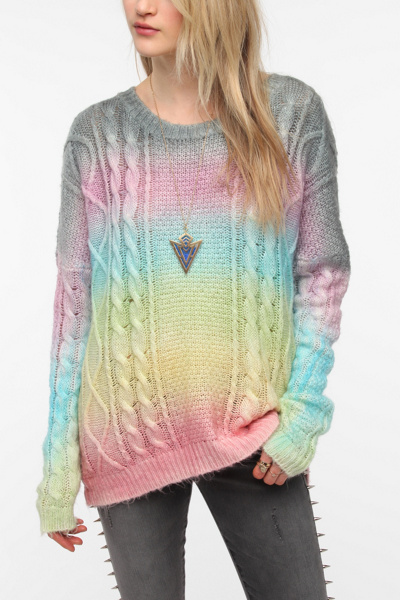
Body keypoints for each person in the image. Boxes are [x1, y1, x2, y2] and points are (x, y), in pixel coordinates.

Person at [35, 0, 350, 598]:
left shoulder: (289, 115)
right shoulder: (97, 136)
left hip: (253, 430)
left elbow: (323, 273)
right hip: (126, 436)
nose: (141, 6)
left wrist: (305, 410)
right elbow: (73, 306)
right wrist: (57, 464)